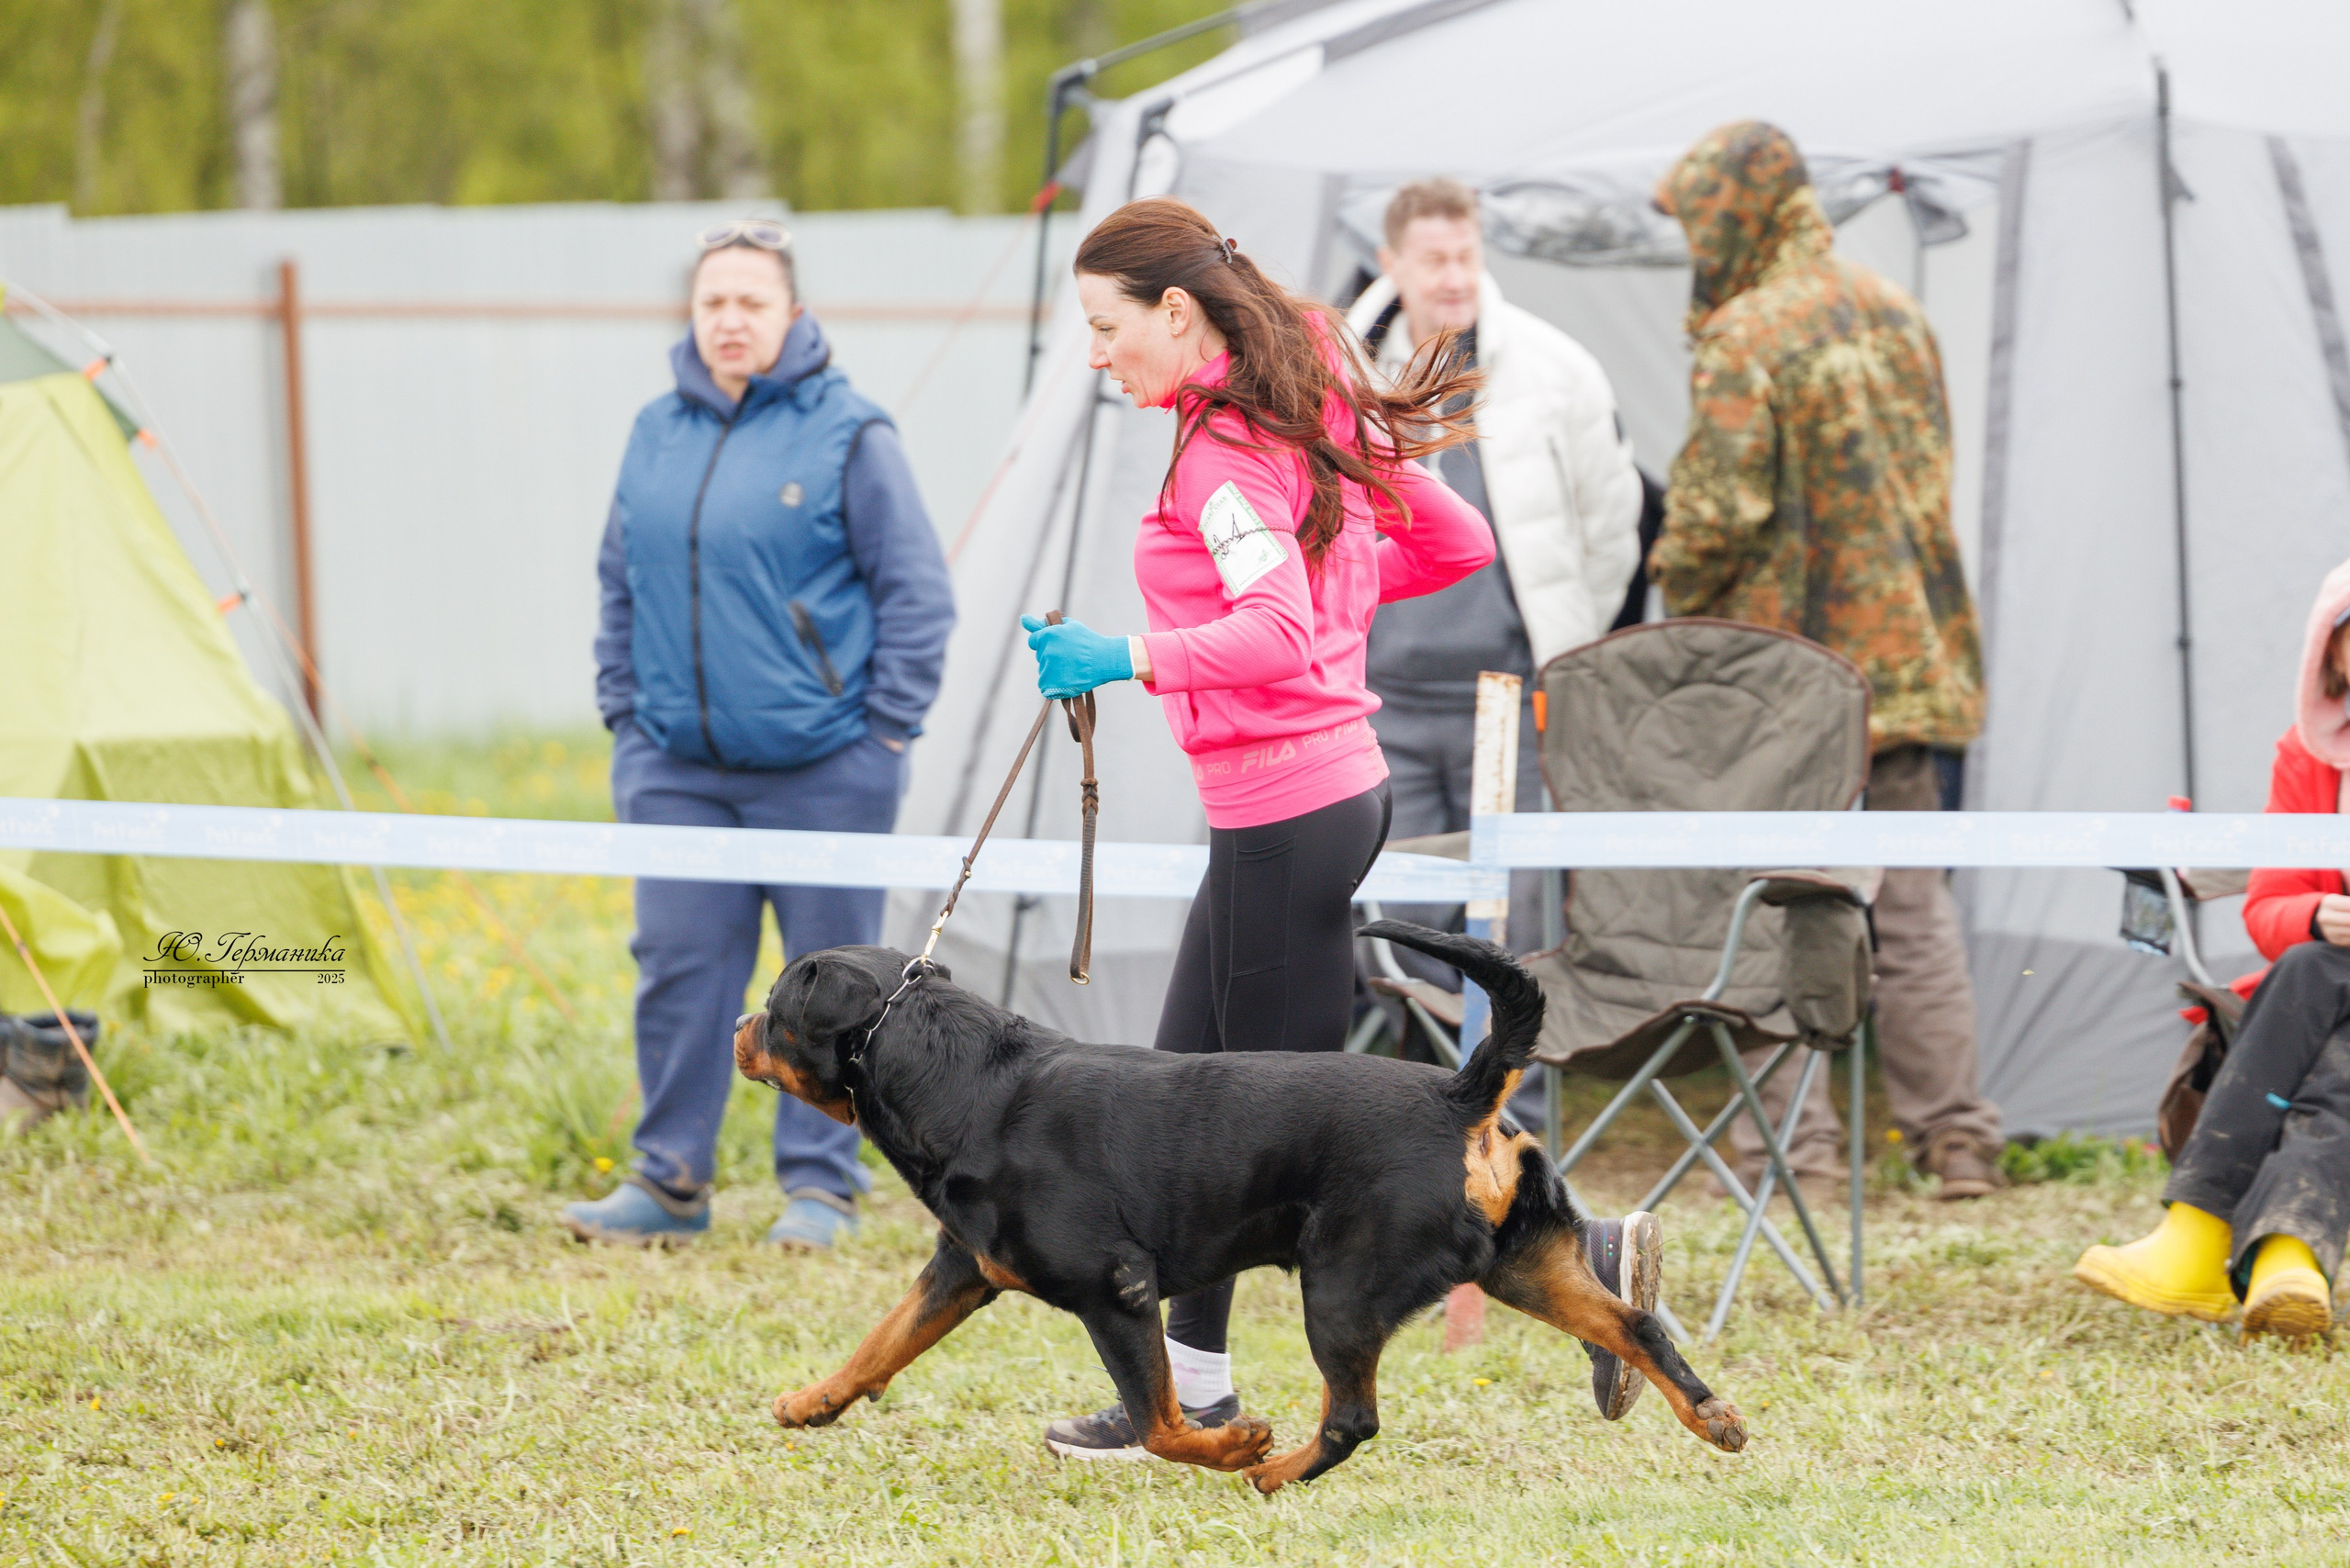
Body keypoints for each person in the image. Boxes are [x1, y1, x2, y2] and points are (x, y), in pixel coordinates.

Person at [1015, 196, 1497, 1458]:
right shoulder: (1296, 398)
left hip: (1295, 807)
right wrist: (1335, 573)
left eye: (1107, 326)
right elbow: (1455, 539)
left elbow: (1278, 630)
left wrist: (1121, 652)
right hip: (1298, 802)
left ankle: (1579, 1247)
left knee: (1284, 1157)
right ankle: (1184, 1394)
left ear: (1177, 313)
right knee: (1179, 1109)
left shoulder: (1228, 451)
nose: (1097, 351)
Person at [565, 220, 954, 1249]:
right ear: (692, 315)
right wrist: (624, 715)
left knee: (832, 989)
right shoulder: (656, 429)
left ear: (791, 314)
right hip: (674, 768)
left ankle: (819, 1188)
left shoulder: (851, 433)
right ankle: (670, 1178)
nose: (730, 320)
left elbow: (916, 593)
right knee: (678, 971)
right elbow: (619, 580)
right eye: (713, 303)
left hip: (828, 765)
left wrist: (881, 735)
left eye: (751, 301)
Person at [1649, 121, 2001, 1201]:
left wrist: (1670, 581)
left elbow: (1716, 515)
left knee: (1776, 907)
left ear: (1729, 214)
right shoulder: (1897, 308)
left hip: (1787, 682)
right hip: (1909, 665)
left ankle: (1786, 1155)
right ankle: (1958, 1144)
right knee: (1911, 911)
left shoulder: (1747, 334)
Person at [1341, 178, 1642, 1051]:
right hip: (1383, 701)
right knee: (1408, 918)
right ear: (1390, 262)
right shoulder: (1351, 374)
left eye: (1467, 255)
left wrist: (1565, 635)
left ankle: (1522, 1119)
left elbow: (1611, 524)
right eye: (1433, 260)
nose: (1454, 276)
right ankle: (1432, 1110)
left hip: (1509, 704)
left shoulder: (1557, 368)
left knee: (1515, 919)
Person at [2073, 560, 2350, 1341]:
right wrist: (2316, 914)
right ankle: (2286, 1258)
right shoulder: (2306, 757)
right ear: (2329, 655)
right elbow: (2267, 908)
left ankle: (2203, 1241)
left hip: (2318, 1001)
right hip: (2327, 993)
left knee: (2313, 994)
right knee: (2310, 973)